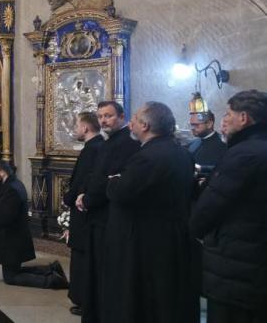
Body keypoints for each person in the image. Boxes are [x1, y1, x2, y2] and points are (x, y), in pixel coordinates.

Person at [103, 102, 197, 322]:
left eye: (135, 119)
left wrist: (113, 181)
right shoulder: (181, 153)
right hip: (172, 235)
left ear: (145, 125)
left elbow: (121, 192)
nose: (131, 123)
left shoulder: (147, 157)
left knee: (144, 299)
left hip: (145, 241)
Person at [191, 90, 267, 323]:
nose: (225, 119)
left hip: (236, 263)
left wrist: (194, 228)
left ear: (243, 118)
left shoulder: (242, 154)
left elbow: (210, 207)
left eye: (228, 114)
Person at [76, 100, 140, 322]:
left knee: (104, 271)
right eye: (100, 116)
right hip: (98, 215)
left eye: (108, 116)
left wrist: (89, 199)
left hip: (108, 217)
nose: (103, 120)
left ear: (122, 117)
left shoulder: (126, 144)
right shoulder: (109, 142)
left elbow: (112, 179)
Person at [0, 161, 68, 289]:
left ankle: (53, 281)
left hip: (11, 240)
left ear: (2, 172)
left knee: (11, 277)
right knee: (15, 272)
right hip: (14, 238)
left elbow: (6, 216)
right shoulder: (13, 184)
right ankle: (51, 269)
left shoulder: (12, 189)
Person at [61, 111, 102, 316]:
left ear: (85, 128)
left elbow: (81, 181)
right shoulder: (99, 146)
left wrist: (68, 198)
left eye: (77, 125)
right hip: (87, 211)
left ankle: (84, 300)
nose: (75, 129)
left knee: (82, 259)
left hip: (83, 211)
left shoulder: (92, 150)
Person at [186, 110, 227, 179]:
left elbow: (225, 169)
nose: (192, 128)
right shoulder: (192, 143)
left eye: (196, 125)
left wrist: (201, 169)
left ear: (209, 124)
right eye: (191, 125)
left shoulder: (224, 144)